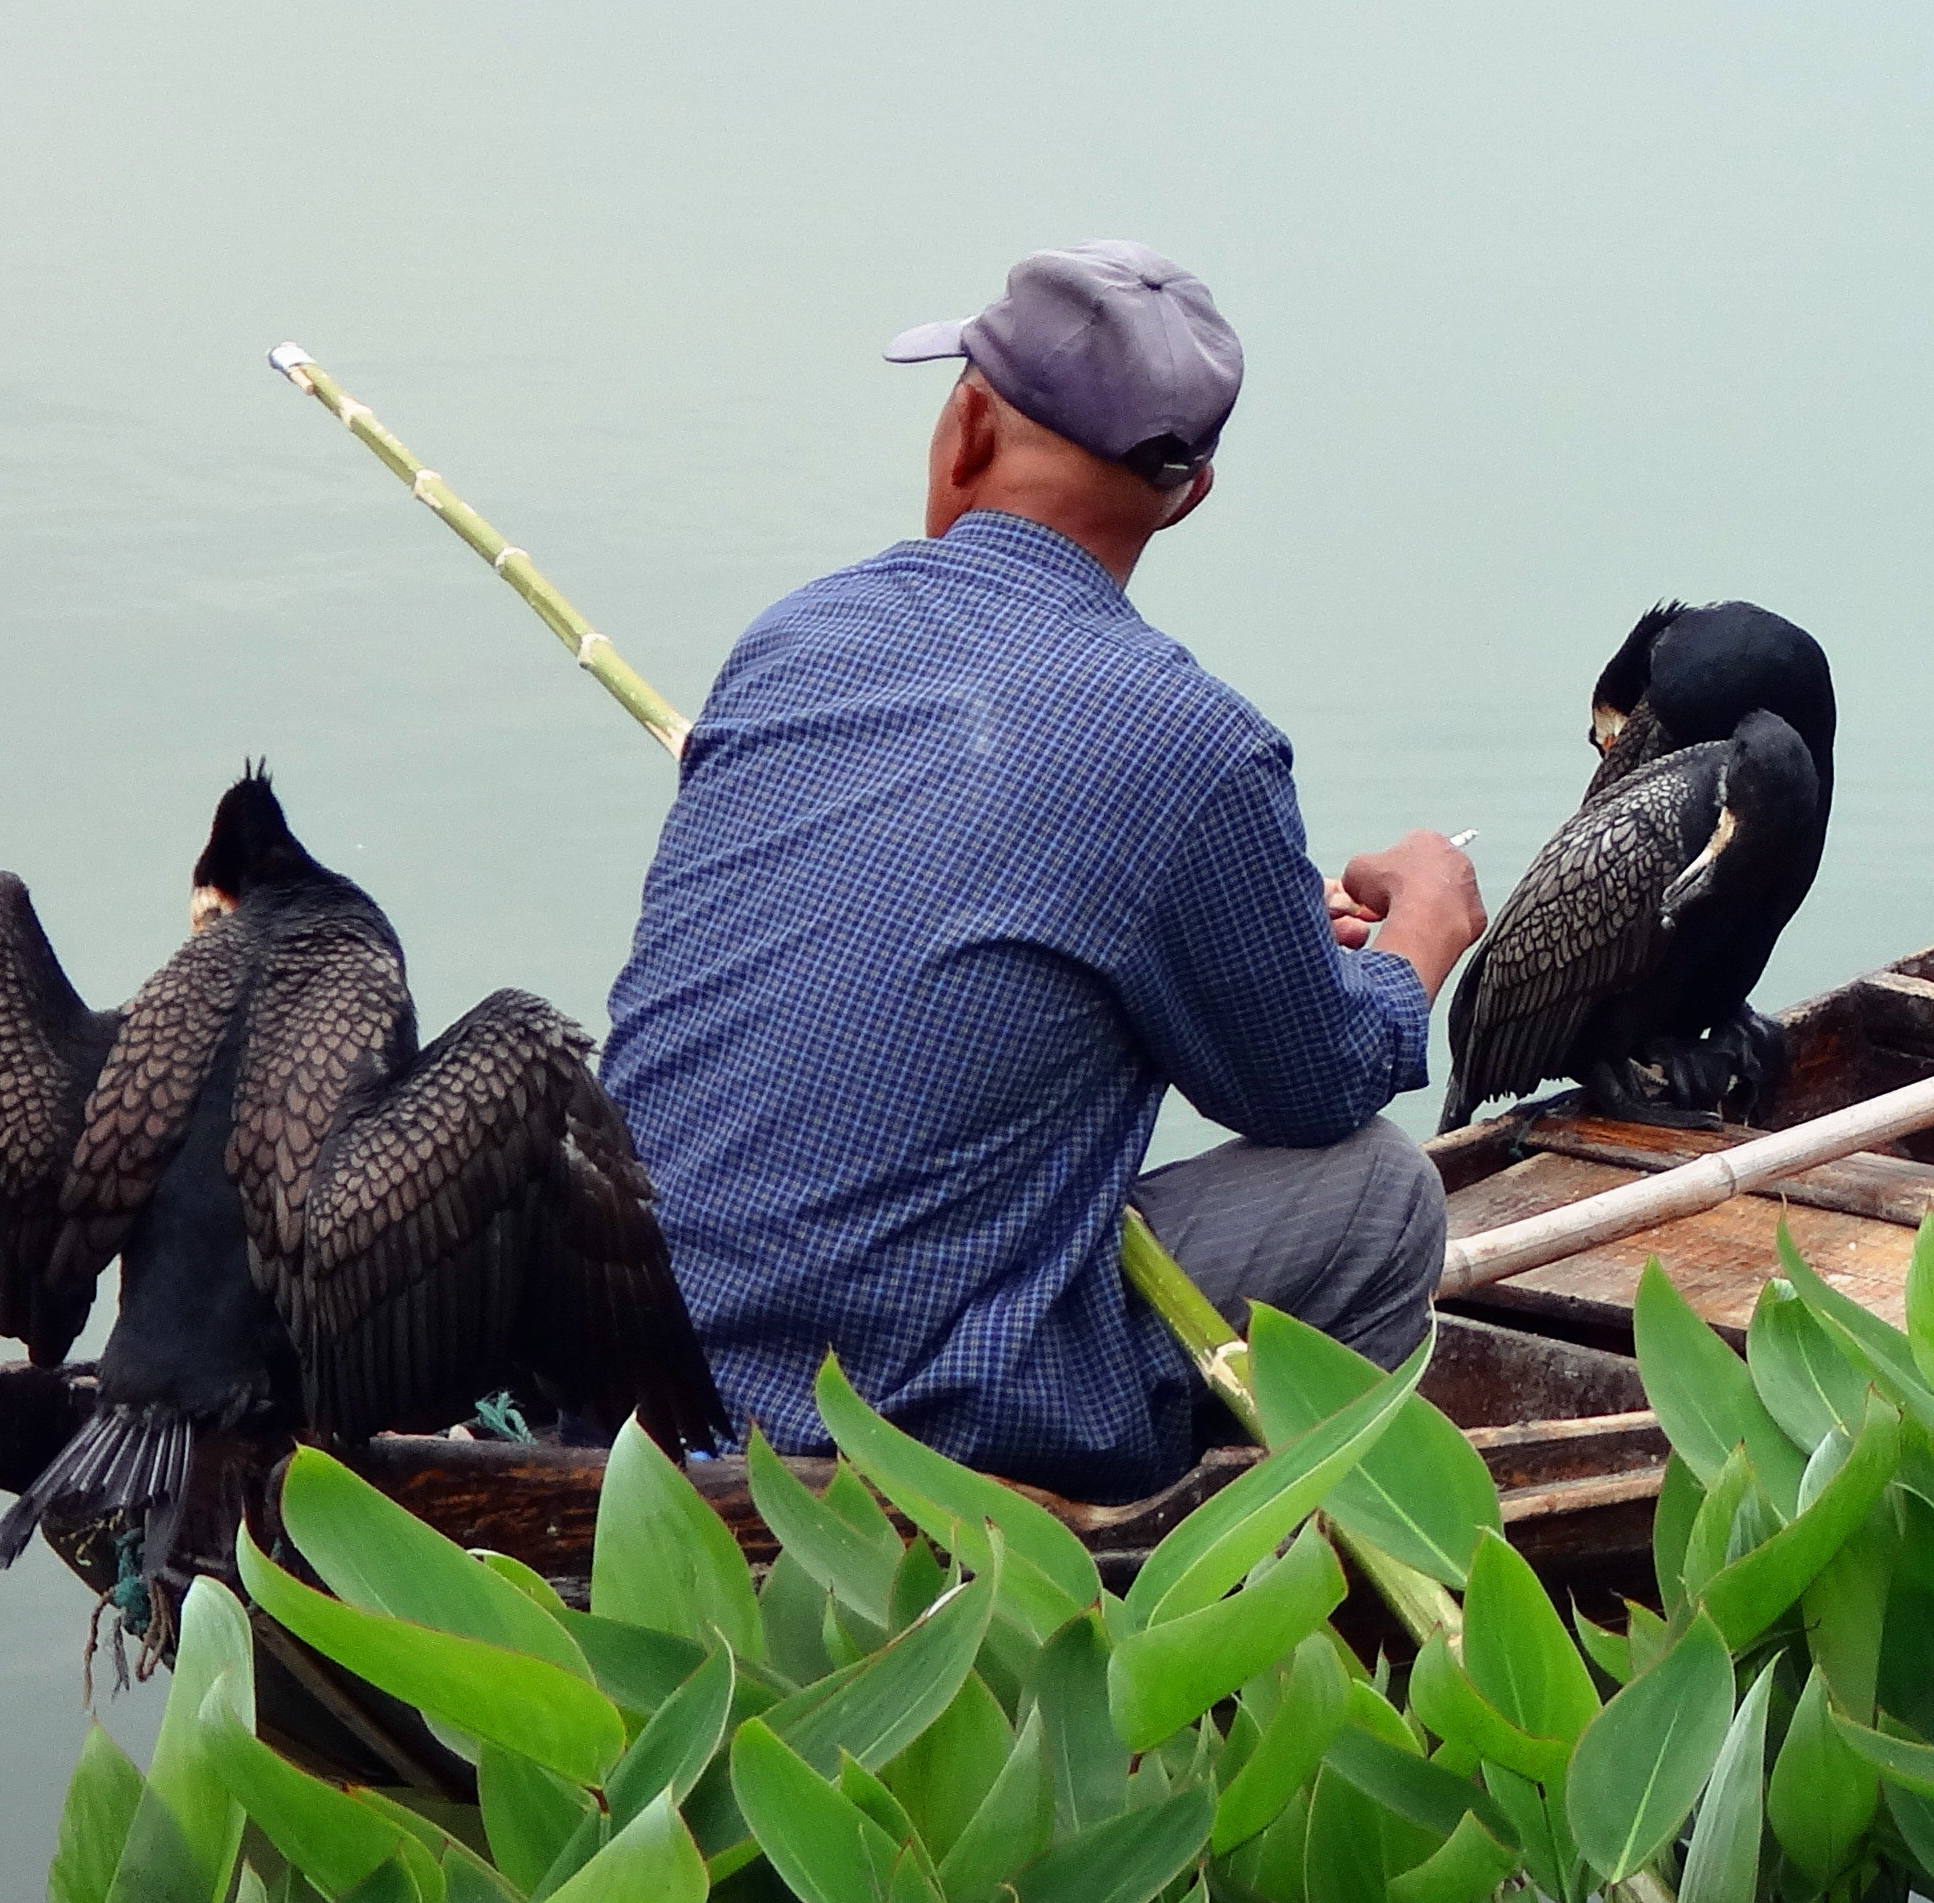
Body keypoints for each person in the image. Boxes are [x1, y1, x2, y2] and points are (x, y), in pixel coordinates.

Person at [602, 242, 1487, 1499]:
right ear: (1188, 498)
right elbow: (1312, 1088)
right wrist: (1418, 947)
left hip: (627, 1367)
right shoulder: (1196, 746)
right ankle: (1287, 1603)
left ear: (964, 430)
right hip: (900, 1428)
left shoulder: (792, 638)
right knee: (1380, 1194)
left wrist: (1264, 926)